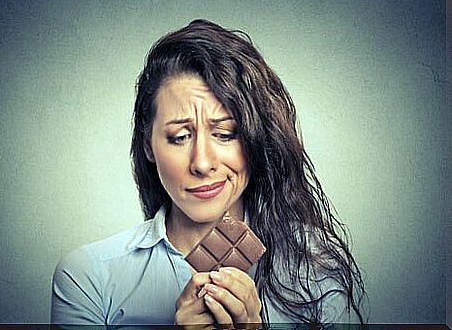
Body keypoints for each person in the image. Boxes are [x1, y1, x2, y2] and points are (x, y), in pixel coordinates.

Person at [51, 19, 366, 328]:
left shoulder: (317, 262)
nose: (202, 163)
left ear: (256, 139)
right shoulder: (89, 277)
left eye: (226, 133)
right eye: (179, 137)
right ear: (148, 145)